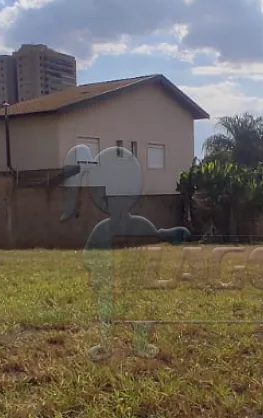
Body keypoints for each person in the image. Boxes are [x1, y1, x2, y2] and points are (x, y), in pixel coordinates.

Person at [60, 144, 190, 359]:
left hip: (133, 280)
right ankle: (106, 345)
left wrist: (169, 234)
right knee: (109, 311)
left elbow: (155, 235)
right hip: (109, 284)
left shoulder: (131, 226)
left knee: (137, 310)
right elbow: (89, 255)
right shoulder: (104, 230)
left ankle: (139, 344)